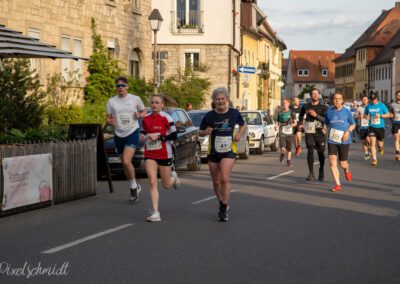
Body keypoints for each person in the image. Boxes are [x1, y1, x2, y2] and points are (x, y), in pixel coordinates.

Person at [198, 87, 246, 222]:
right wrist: (205, 132)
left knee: (224, 178)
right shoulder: (209, 116)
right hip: (213, 151)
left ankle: (224, 209)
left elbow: (243, 124)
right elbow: (199, 132)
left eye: (222, 99)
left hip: (229, 150)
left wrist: (239, 134)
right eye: (217, 99)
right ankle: (222, 202)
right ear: (214, 101)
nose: (220, 101)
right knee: (216, 181)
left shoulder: (234, 113)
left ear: (227, 99)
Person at [140, 94, 180, 222]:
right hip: (150, 153)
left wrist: (160, 137)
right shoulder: (146, 118)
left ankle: (174, 178)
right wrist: (142, 135)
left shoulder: (167, 118)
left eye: (157, 102)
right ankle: (155, 212)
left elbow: (174, 136)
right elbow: (143, 131)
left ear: (162, 105)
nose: (154, 105)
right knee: (152, 181)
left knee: (166, 185)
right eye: (152, 102)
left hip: (164, 153)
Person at [106, 76, 146, 202]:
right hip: (119, 134)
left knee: (127, 161)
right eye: (118, 86)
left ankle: (134, 186)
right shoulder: (111, 101)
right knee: (124, 162)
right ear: (116, 88)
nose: (121, 88)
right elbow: (108, 117)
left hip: (132, 132)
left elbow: (144, 111)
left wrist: (139, 115)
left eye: (123, 85)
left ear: (127, 86)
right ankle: (133, 184)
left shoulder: (135, 99)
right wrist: (110, 121)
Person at [325, 93, 356, 192]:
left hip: (344, 140)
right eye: (335, 99)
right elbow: (326, 123)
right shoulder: (329, 112)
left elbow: (353, 124)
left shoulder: (347, 111)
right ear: (332, 100)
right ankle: (337, 184)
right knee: (332, 161)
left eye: (339, 99)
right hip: (332, 140)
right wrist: (324, 128)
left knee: (342, 164)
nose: (337, 101)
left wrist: (347, 132)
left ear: (342, 101)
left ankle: (346, 170)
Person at [298, 88, 328, 181]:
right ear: (310, 96)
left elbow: (326, 120)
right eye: (313, 94)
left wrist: (316, 115)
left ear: (319, 95)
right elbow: (300, 115)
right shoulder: (305, 106)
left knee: (320, 152)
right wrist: (300, 124)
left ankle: (321, 169)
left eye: (316, 93)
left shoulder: (324, 107)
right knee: (310, 149)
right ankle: (311, 173)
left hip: (320, 132)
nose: (315, 95)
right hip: (309, 131)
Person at [364, 92, 390, 166]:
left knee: (380, 144)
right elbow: (365, 115)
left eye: (374, 99)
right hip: (372, 127)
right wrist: (366, 117)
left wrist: (380, 115)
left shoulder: (381, 105)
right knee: (372, 143)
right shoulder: (368, 106)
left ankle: (380, 148)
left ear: (377, 98)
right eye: (372, 99)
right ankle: (374, 159)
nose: (373, 101)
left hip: (380, 127)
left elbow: (388, 115)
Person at [276, 98, 297, 167]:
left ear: (288, 104)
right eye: (283, 103)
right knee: (282, 148)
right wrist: (276, 126)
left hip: (290, 131)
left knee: (289, 148)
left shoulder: (292, 113)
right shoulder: (280, 113)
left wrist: (292, 125)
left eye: (285, 103)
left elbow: (295, 123)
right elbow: (277, 121)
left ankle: (288, 160)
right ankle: (282, 154)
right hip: (282, 130)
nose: (284, 104)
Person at [354, 94, 371, 160]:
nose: (364, 100)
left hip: (369, 126)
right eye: (363, 99)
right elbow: (355, 117)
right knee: (363, 141)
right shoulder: (359, 108)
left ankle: (370, 148)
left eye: (366, 99)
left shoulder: (370, 107)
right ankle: (366, 153)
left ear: (368, 100)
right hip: (361, 126)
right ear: (361, 100)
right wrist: (359, 117)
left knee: (368, 139)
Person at [389, 90, 400, 161]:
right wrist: (391, 119)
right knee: (396, 138)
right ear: (396, 96)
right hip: (396, 123)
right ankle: (397, 153)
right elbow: (390, 113)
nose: (399, 96)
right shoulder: (392, 104)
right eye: (398, 95)